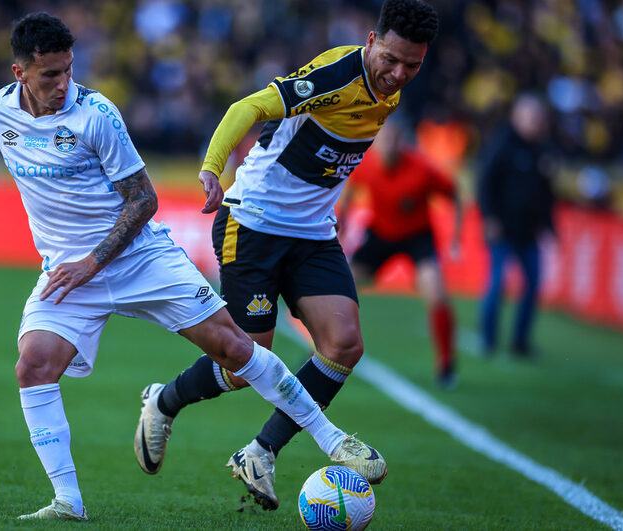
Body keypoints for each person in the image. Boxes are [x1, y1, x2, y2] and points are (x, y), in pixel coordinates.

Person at [0, 12, 377, 522]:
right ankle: (67, 502)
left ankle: (332, 440)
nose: (62, 84)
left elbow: (143, 200)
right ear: (19, 74)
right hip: (70, 272)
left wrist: (92, 263)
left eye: (68, 71)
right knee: (33, 364)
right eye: (50, 74)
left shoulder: (96, 114)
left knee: (236, 350)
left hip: (139, 259)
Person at [134, 0, 438, 511]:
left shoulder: (390, 88)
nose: (398, 73)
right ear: (370, 40)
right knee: (243, 360)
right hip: (251, 223)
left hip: (312, 234)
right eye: (390, 58)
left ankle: (261, 452)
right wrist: (212, 166)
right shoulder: (337, 74)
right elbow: (246, 110)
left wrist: (327, 203)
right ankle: (163, 401)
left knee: (343, 344)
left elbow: (332, 156)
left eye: (413, 65)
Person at [338, 120, 461, 389]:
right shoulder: (366, 164)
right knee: (340, 287)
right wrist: (342, 227)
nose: (389, 144)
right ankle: (320, 350)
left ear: (403, 140)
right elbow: (350, 191)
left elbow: (454, 194)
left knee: (436, 293)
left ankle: (446, 364)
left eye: (395, 138)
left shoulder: (422, 168)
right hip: (380, 234)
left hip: (418, 237)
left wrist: (455, 237)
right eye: (384, 138)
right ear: (376, 140)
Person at [477, 93, 556, 357]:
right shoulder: (502, 144)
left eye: (538, 119)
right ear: (517, 117)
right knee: (497, 283)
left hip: (529, 231)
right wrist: (490, 218)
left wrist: (549, 227)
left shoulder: (542, 150)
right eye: (530, 118)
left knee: (533, 284)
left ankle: (520, 342)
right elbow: (485, 183)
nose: (535, 123)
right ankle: (488, 340)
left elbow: (546, 193)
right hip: (502, 229)